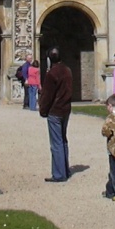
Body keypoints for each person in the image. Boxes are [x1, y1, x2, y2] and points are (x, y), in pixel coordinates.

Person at [39, 47, 73, 182]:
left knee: (56, 143)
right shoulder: (67, 70)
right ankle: (65, 169)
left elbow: (47, 95)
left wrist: (43, 110)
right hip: (66, 109)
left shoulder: (52, 74)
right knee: (63, 140)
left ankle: (59, 174)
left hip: (55, 111)